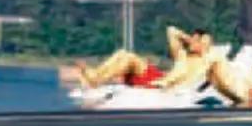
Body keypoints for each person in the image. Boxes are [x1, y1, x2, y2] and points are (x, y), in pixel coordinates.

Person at [74, 26, 219, 91]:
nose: (194, 42)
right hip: (157, 77)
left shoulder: (203, 64)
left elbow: (198, 81)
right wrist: (189, 39)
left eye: (199, 40)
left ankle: (96, 79)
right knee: (122, 53)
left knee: (130, 59)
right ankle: (95, 76)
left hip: (158, 83)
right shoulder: (182, 55)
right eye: (194, 39)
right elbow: (171, 30)